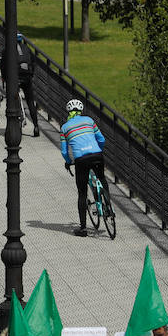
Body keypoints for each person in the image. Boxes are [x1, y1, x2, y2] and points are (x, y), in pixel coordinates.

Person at [59, 99, 107, 237]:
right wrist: (99, 150)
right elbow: (102, 139)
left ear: (68, 112)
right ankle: (108, 206)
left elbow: (64, 151)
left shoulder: (64, 128)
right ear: (81, 111)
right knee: (102, 179)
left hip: (81, 160)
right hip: (97, 155)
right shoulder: (90, 121)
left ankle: (83, 228)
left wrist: (69, 161)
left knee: (82, 193)